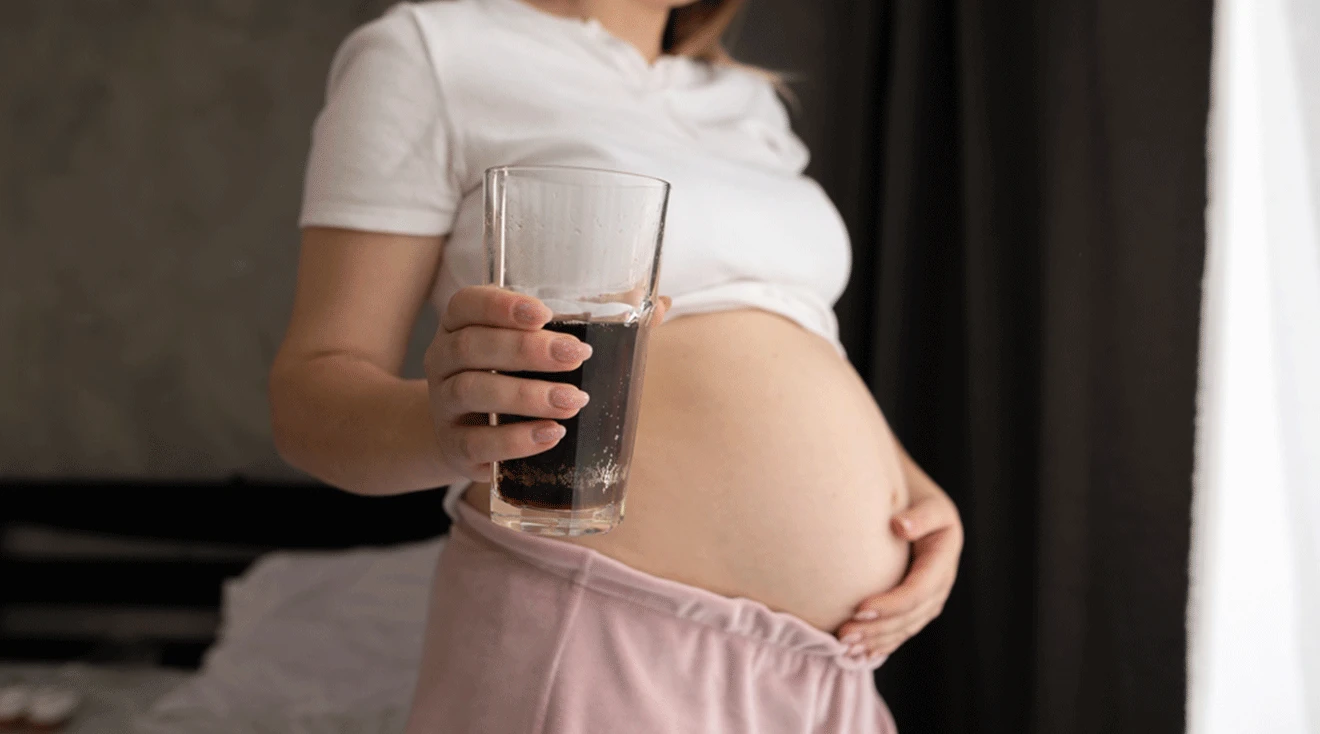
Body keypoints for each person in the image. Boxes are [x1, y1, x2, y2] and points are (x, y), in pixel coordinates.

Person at [269, 0, 964, 730]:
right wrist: (446, 432)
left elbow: (793, 333)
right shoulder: (432, 50)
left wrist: (911, 487)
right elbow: (311, 394)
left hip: (826, 672)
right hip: (596, 626)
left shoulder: (748, 102)